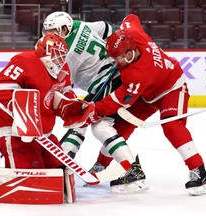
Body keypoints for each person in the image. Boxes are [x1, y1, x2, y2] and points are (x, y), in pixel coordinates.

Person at [93, 14, 206, 196]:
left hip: (172, 88)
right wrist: (122, 31)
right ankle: (101, 165)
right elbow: (131, 17)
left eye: (118, 58)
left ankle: (200, 173)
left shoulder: (137, 74)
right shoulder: (133, 34)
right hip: (148, 93)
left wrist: (94, 110)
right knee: (122, 125)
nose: (115, 62)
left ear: (130, 53)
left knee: (172, 125)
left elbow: (117, 101)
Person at [43, 11, 149, 193]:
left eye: (54, 31)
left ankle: (132, 169)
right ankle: (65, 162)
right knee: (85, 122)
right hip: (116, 73)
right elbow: (106, 28)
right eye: (47, 31)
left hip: (105, 82)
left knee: (90, 123)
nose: (50, 36)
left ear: (65, 28)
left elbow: (63, 82)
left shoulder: (64, 51)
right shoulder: (79, 25)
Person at [0, 32, 98, 202]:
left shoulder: (63, 68)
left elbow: (65, 92)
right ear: (44, 51)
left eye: (63, 56)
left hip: (45, 135)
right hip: (15, 133)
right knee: (30, 184)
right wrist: (21, 112)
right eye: (57, 55)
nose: (61, 60)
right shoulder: (24, 61)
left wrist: (75, 106)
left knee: (61, 176)